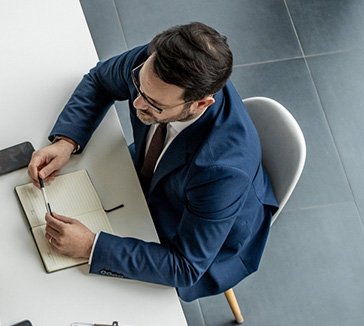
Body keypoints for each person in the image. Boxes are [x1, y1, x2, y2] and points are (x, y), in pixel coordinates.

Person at [28, 22, 279, 302]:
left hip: (199, 231)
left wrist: (91, 246)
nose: (136, 104)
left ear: (200, 104)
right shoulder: (155, 66)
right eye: (139, 87)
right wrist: (66, 141)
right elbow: (100, 80)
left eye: (153, 104)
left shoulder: (222, 171)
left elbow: (185, 267)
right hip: (155, 175)